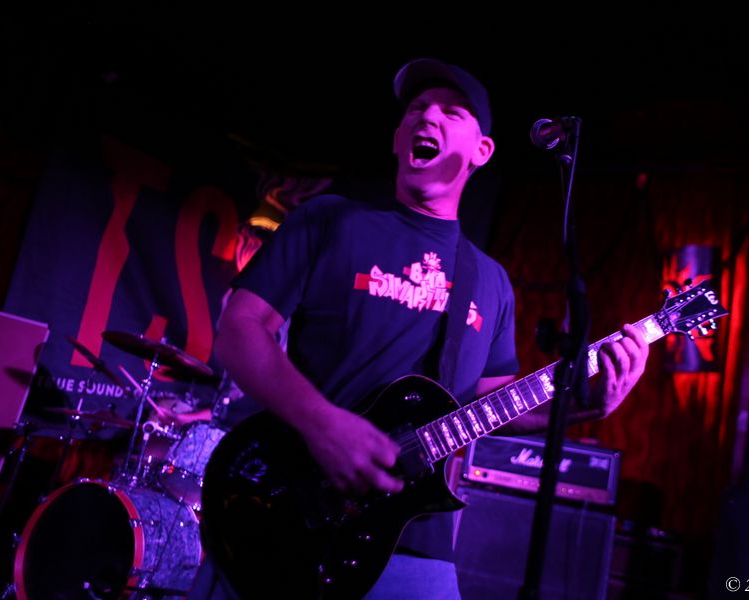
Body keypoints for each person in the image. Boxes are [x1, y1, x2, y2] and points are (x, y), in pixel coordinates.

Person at [191, 58, 649, 599]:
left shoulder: (492, 282)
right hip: (287, 506)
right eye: (415, 109)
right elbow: (240, 329)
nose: (427, 117)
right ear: (396, 139)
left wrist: (584, 406)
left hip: (417, 545)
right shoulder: (330, 220)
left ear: (481, 151)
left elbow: (487, 407)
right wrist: (324, 426)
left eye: (451, 113)